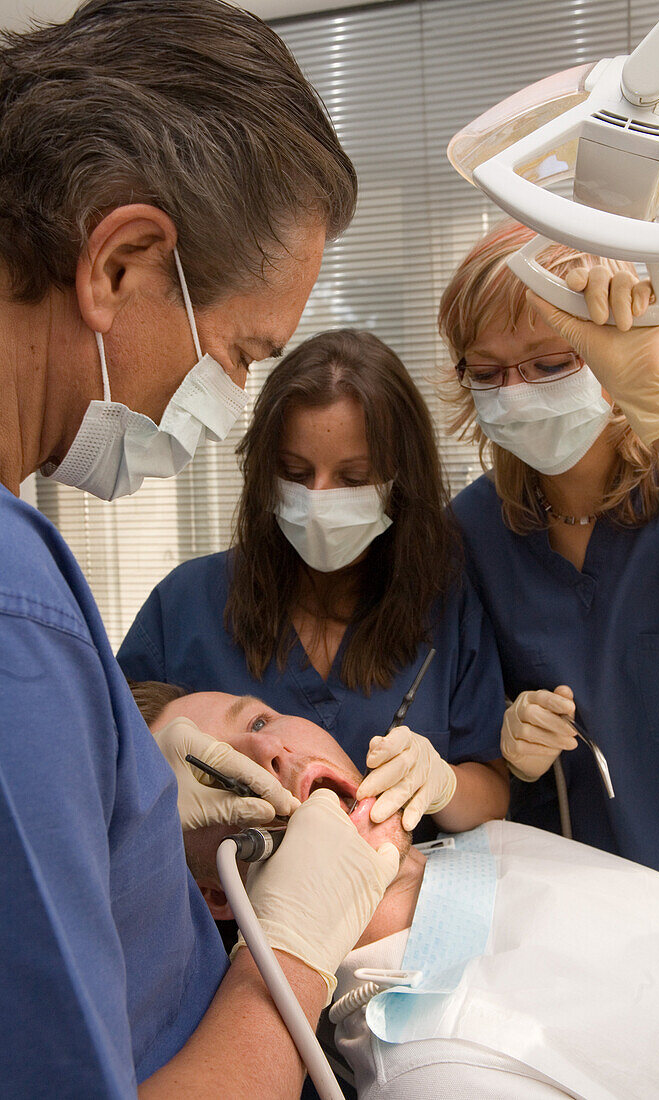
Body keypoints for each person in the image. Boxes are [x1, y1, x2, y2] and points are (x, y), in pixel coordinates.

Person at [0, 3, 401, 1095]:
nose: (225, 405)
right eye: (238, 351)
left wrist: (124, 825)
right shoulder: (16, 615)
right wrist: (299, 948)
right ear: (121, 263)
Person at [133, 680, 659, 1100]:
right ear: (217, 893)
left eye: (259, 720)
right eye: (221, 769)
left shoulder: (476, 844)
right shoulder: (435, 1071)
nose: (269, 749)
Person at [439, 219, 659, 911]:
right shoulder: (474, 533)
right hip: (585, 924)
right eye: (486, 373)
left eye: (549, 364)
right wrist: (512, 747)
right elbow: (473, 747)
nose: (515, 393)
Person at [119, 329, 509, 835]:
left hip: (402, 901)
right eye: (296, 473)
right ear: (264, 471)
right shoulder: (186, 608)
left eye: (352, 479)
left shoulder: (443, 608)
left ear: (401, 482)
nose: (319, 500)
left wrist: (443, 785)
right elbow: (103, 767)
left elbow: (494, 793)